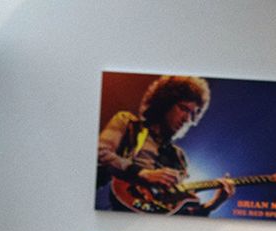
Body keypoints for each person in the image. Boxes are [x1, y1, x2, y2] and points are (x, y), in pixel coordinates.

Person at [97, 74, 233, 216]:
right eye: (184, 109)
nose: (187, 119)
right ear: (165, 102)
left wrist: (213, 204)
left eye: (193, 114)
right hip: (110, 209)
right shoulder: (128, 123)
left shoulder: (179, 157)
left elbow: (178, 212)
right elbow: (100, 153)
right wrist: (142, 173)